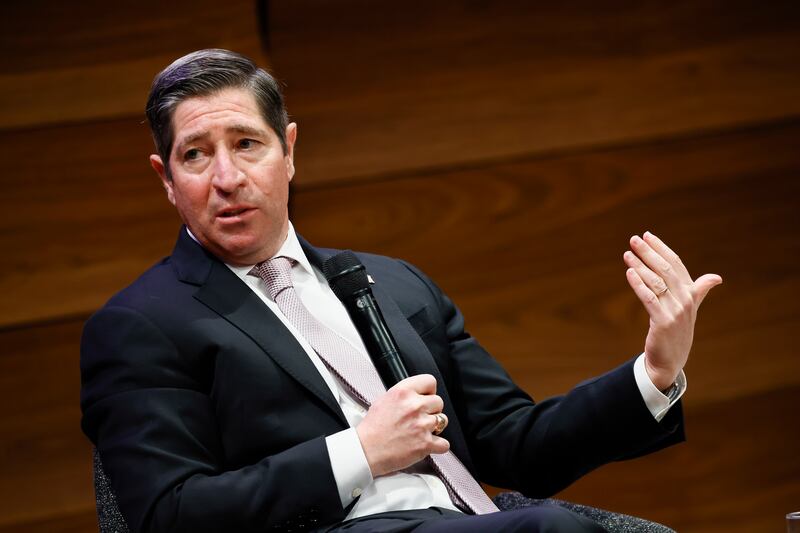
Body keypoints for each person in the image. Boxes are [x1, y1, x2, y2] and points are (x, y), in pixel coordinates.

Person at [80, 49, 722, 533]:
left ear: (290, 151)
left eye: (248, 144)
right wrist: (360, 451)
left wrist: (656, 371)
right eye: (196, 155)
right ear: (166, 178)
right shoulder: (141, 324)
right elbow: (168, 514)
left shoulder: (390, 281)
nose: (227, 176)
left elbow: (518, 445)